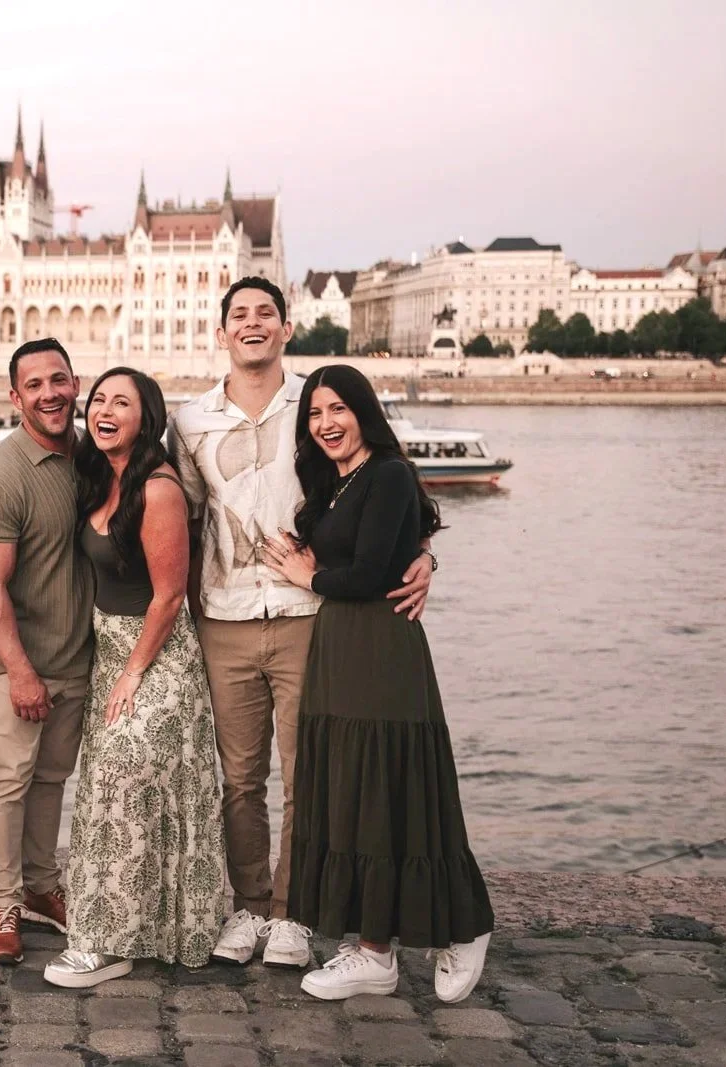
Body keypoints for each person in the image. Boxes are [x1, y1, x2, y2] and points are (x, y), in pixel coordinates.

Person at [169, 277, 435, 971]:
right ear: (221, 332)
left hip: (308, 615)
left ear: (287, 327)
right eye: (239, 315)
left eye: (265, 313)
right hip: (223, 617)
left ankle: (291, 913)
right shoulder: (191, 419)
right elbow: (182, 518)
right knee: (238, 778)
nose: (252, 324)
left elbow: (383, 481)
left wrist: (422, 554)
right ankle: (248, 904)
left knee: (308, 774)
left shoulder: (318, 406)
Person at [262, 364, 494, 1002]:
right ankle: (373, 948)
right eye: (314, 414)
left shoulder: (387, 473)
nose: (326, 423)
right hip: (340, 645)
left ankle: (464, 927)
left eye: (338, 409)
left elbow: (365, 575)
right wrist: (419, 552)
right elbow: (399, 540)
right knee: (353, 790)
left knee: (396, 789)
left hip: (381, 645)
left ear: (364, 411)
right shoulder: (336, 481)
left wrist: (306, 575)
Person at [42, 368, 227, 988]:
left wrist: (132, 674)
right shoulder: (97, 478)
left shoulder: (159, 487)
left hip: (157, 652)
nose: (104, 409)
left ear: (147, 417)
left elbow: (169, 595)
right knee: (106, 793)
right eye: (98, 400)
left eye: (121, 402)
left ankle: (111, 941)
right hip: (109, 648)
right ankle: (127, 927)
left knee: (126, 767)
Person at [0, 337, 94, 964]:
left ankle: (42, 887)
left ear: (76, 383)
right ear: (14, 398)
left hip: (76, 656)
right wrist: (20, 672)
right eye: (34, 385)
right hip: (14, 661)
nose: (50, 394)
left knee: (51, 780)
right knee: (8, 780)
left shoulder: (93, 460)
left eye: (58, 380)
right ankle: (2, 903)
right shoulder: (1, 475)